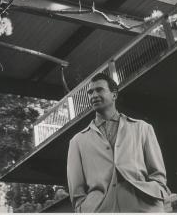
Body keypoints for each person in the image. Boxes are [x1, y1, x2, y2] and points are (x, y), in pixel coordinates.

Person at [67, 73, 170, 213]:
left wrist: (156, 194)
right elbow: (76, 191)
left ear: (114, 95)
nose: (93, 95)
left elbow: (158, 174)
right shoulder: (77, 141)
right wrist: (84, 209)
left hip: (144, 208)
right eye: (90, 92)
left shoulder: (142, 128)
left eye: (99, 90)